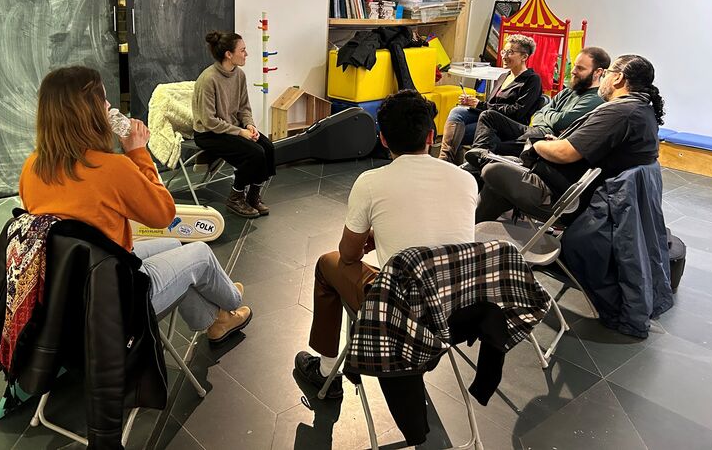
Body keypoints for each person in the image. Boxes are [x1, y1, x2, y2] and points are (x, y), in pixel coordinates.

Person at [19, 66, 252, 345]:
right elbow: (163, 214)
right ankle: (232, 300)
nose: (110, 106)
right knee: (200, 254)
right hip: (116, 300)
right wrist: (138, 152)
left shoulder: (32, 167)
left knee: (174, 247)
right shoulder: (111, 168)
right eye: (103, 100)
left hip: (67, 293)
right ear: (89, 111)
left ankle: (216, 321)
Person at [293, 90, 477, 398]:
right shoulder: (466, 180)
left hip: (401, 316)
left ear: (383, 140)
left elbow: (349, 255)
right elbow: (439, 233)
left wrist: (370, 236)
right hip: (456, 313)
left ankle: (326, 371)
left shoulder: (371, 182)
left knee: (328, 263)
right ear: (431, 135)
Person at [475, 54, 664, 223]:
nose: (604, 78)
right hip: (577, 187)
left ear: (618, 78)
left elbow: (565, 154)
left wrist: (539, 144)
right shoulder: (640, 110)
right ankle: (471, 233)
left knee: (493, 170)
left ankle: (468, 235)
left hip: (565, 198)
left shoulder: (621, 113)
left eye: (607, 73)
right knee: (502, 176)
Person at [463, 47, 611, 168]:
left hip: (545, 140)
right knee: (488, 116)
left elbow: (561, 122)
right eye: (574, 66)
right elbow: (540, 113)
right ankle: (479, 157)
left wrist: (548, 114)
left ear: (598, 72)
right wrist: (549, 115)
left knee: (494, 144)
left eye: (580, 68)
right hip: (533, 129)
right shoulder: (568, 91)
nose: (573, 71)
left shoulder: (595, 99)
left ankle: (476, 165)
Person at [193, 30, 276, 219]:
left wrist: (249, 126)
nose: (246, 54)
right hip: (208, 133)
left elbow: (244, 107)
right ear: (228, 55)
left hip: (232, 127)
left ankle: (253, 196)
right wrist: (239, 132)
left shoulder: (239, 75)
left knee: (268, 147)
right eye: (243, 50)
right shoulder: (208, 79)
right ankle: (236, 197)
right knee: (254, 152)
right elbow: (209, 121)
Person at [438, 34, 543, 164]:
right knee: (457, 112)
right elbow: (490, 104)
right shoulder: (504, 76)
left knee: (457, 134)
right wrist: (473, 103)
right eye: (504, 51)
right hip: (488, 117)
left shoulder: (532, 80)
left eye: (510, 52)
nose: (504, 56)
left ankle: (450, 164)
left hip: (508, 125)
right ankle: (445, 160)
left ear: (524, 57)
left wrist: (481, 105)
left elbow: (518, 111)